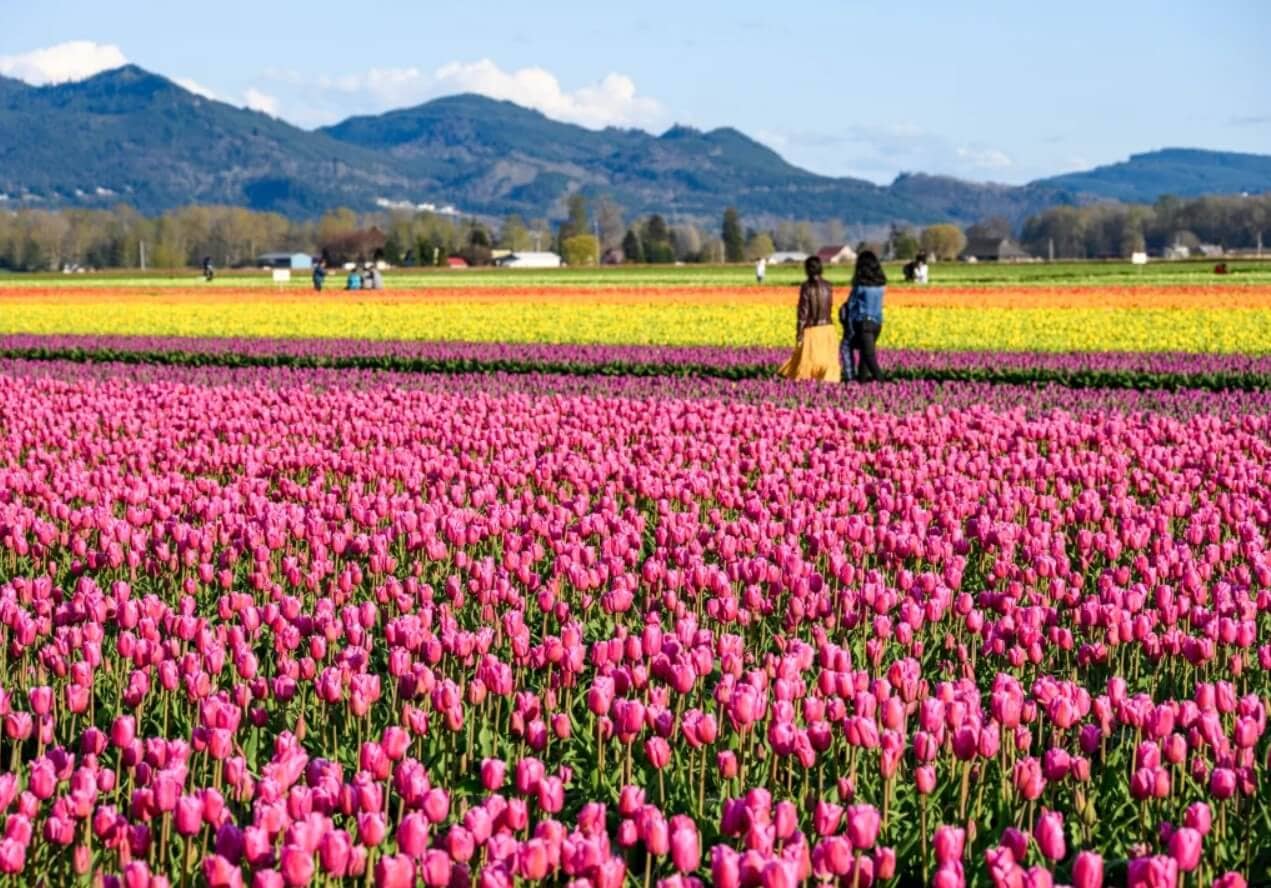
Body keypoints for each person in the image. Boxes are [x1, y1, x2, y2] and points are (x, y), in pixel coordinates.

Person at [778, 255, 841, 382]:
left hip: (812, 330)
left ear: (807, 270)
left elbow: (803, 313)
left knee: (808, 364)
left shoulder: (806, 287)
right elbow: (829, 307)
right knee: (827, 363)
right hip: (828, 329)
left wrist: (799, 333)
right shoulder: (828, 286)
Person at [846, 249, 886, 382]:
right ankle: (862, 383)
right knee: (864, 356)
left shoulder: (860, 287)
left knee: (869, 357)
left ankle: (883, 382)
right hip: (877, 325)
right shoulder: (881, 286)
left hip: (864, 325)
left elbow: (851, 306)